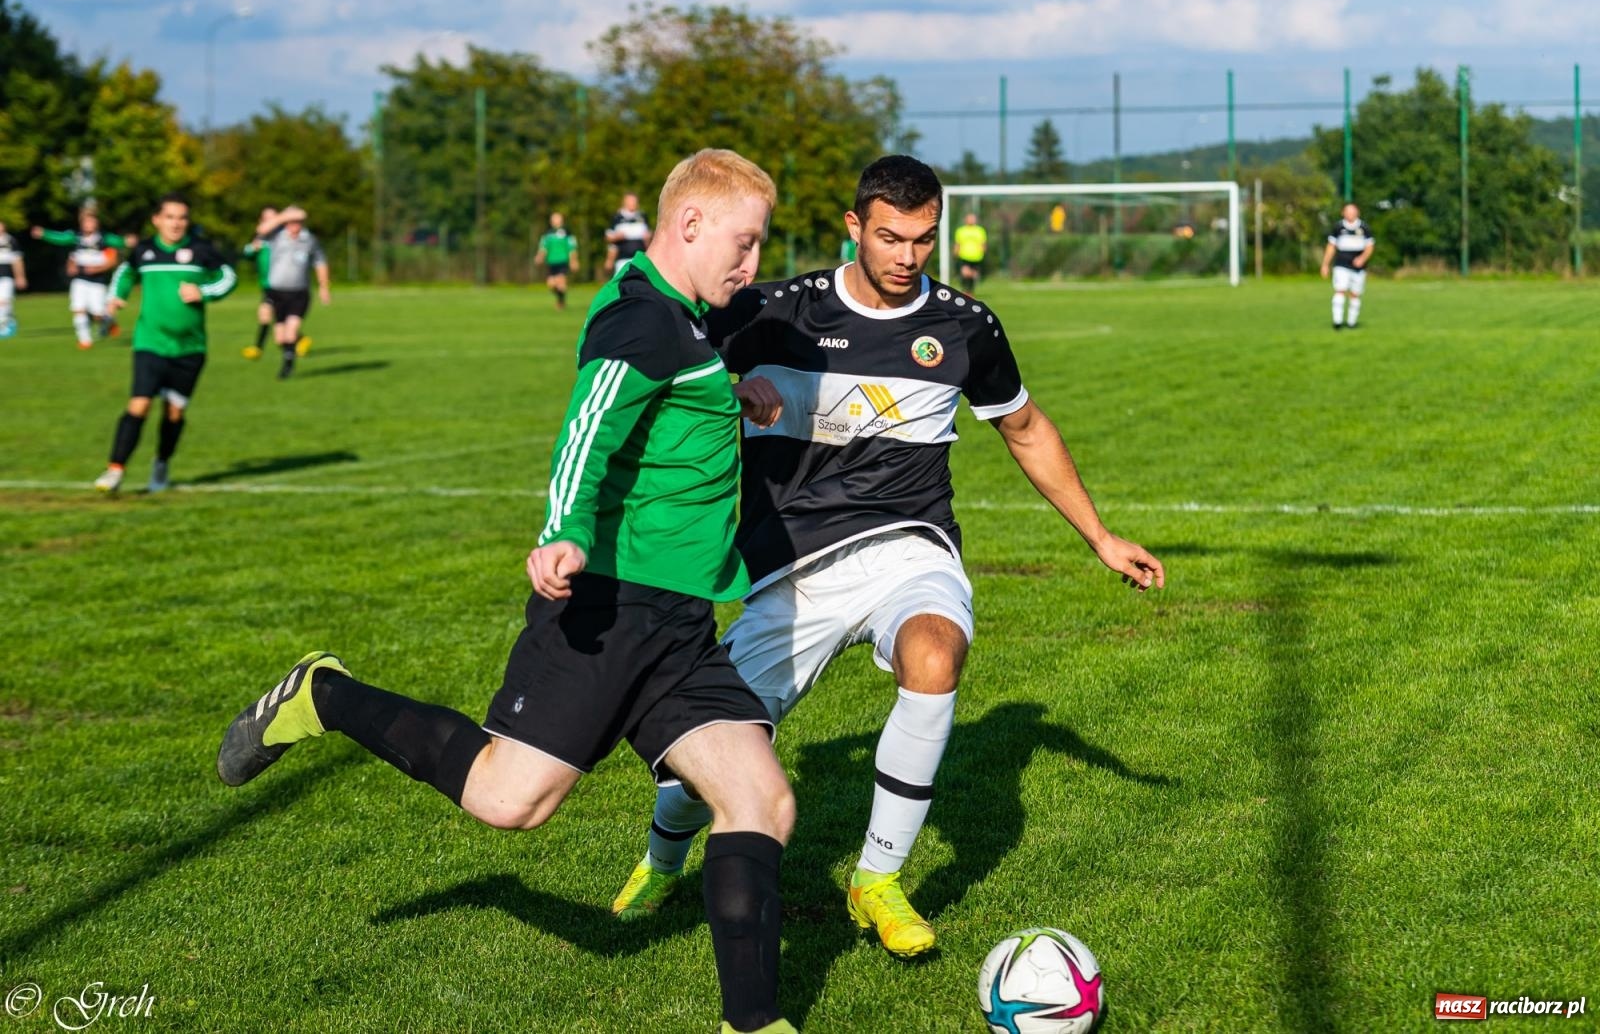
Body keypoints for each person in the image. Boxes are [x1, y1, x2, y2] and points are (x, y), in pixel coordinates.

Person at [216, 149, 799, 1034]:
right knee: (507, 800)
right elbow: (587, 428)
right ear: (689, 224)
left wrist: (733, 395)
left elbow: (673, 406)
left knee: (762, 801)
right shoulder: (643, 319)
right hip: (610, 606)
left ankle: (753, 1024)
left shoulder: (684, 322)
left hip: (679, 624)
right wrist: (563, 529)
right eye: (744, 242)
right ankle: (322, 695)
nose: (751, 264)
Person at [610, 156, 1165, 961]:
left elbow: (1025, 428)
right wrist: (727, 393)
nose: (908, 257)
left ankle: (876, 878)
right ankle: (663, 862)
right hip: (791, 571)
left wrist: (1101, 537)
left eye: (923, 239)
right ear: (854, 228)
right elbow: (654, 353)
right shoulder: (772, 312)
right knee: (707, 759)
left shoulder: (963, 326)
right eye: (890, 238)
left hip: (911, 547)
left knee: (935, 654)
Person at [95, 194, 237, 493]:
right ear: (157, 220)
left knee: (174, 413)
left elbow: (229, 277)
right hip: (150, 341)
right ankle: (115, 469)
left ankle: (161, 463)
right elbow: (125, 272)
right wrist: (116, 296)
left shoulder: (201, 250)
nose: (176, 223)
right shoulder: (144, 250)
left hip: (190, 348)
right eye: (170, 217)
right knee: (139, 403)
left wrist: (203, 292)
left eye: (182, 217)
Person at [32, 208, 128, 347]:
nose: (88, 224)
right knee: (78, 308)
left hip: (98, 281)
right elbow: (60, 238)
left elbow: (120, 243)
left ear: (96, 223)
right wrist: (44, 234)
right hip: (80, 279)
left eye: (91, 221)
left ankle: (109, 322)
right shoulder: (75, 237)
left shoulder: (104, 238)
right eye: (86, 222)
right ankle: (85, 341)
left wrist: (130, 241)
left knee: (97, 313)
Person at [256, 205, 330, 378]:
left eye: (297, 221)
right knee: (280, 338)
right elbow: (261, 230)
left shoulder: (309, 240)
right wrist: (282, 216)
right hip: (277, 292)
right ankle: (290, 354)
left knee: (291, 331)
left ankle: (287, 367)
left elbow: (320, 262)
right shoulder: (277, 236)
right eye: (291, 221)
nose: (294, 225)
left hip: (298, 293)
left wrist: (324, 286)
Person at [1321, 203, 1375, 330]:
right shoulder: (1338, 227)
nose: (1350, 214)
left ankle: (1352, 323)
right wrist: (1325, 264)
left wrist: (1362, 258)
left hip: (1358, 267)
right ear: (1343, 213)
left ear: (1357, 213)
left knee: (1355, 294)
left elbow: (1370, 246)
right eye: (1348, 211)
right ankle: (1337, 322)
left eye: (1353, 212)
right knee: (1340, 290)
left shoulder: (1364, 227)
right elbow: (1331, 246)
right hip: (1341, 264)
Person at [240, 207, 278, 359]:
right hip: (267, 285)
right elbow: (246, 253)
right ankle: (299, 340)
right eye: (267, 219)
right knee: (270, 316)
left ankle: (258, 348)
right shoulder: (261, 239)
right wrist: (252, 248)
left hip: (281, 285)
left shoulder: (282, 238)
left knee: (270, 316)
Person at [534, 211, 579, 309]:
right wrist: (539, 257)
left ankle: (561, 303)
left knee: (561, 283)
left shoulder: (567, 233)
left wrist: (573, 261)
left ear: (562, 220)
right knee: (551, 284)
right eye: (553, 219)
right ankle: (561, 299)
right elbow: (543, 248)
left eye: (557, 218)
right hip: (551, 262)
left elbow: (572, 248)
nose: (555, 220)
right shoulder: (548, 234)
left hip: (562, 261)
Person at [603, 192, 652, 275]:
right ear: (624, 202)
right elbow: (608, 238)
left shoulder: (643, 216)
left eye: (634, 201)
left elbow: (649, 237)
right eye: (630, 201)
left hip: (640, 258)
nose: (633, 203)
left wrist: (648, 238)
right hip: (622, 259)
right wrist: (617, 237)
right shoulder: (616, 217)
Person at [0, 220, 26, 339]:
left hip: (6, 275)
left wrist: (20, 276)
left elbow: (17, 260)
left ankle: (4, 328)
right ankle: (9, 321)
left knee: (3, 301)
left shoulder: (11, 241)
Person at [953, 211, 987, 294]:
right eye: (970, 218)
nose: (972, 220)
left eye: (973, 218)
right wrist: (955, 252)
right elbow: (958, 243)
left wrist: (983, 251)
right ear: (966, 219)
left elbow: (983, 243)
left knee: (972, 276)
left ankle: (970, 291)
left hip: (977, 257)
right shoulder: (961, 230)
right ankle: (965, 289)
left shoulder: (980, 230)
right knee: (965, 273)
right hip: (964, 256)